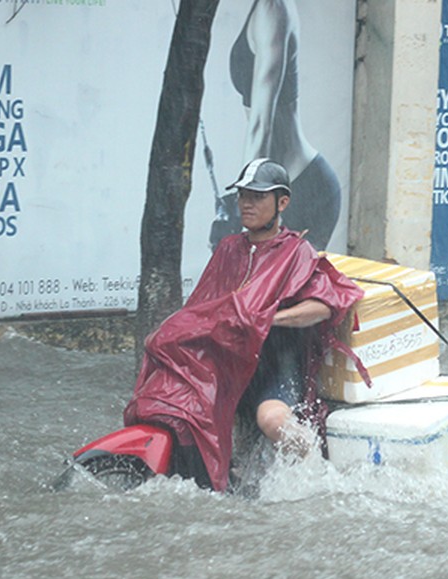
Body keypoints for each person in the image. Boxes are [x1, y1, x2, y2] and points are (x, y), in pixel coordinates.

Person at [125, 158, 367, 492]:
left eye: (257, 196)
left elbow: (325, 305)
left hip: (275, 367)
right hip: (226, 368)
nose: (246, 204)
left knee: (270, 420)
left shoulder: (297, 252)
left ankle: (317, 478)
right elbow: (202, 310)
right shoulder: (227, 250)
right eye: (243, 196)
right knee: (173, 406)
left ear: (282, 203)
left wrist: (270, 318)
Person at [227, 0, 342, 251]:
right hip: (273, 188)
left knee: (289, 286)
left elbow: (261, 124)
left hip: (303, 187)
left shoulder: (273, 9)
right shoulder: (264, 8)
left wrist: (247, 201)